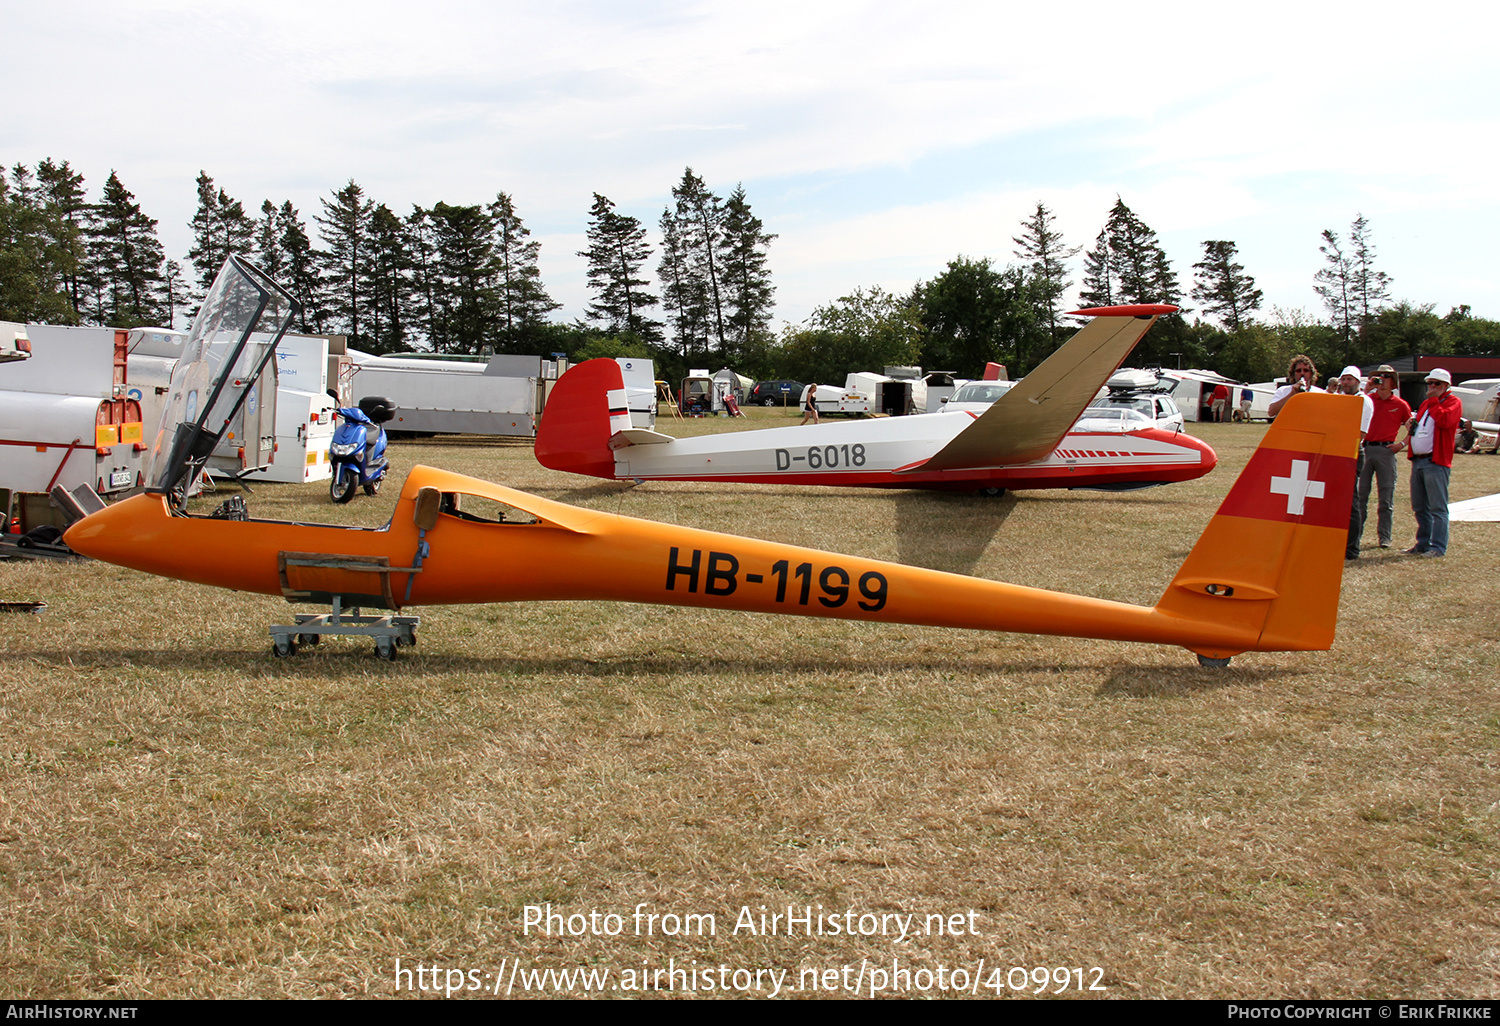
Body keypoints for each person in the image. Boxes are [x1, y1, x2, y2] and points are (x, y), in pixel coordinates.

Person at [1404, 368, 1463, 557]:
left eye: (1437, 384)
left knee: (1437, 507)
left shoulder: (1453, 402)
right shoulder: (1426, 404)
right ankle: (1422, 543)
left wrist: (1435, 400)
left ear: (1446, 386)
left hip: (1436, 461)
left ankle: (1437, 547)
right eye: (1430, 383)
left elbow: (1444, 420)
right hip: (1419, 460)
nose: (1432, 387)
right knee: (1419, 505)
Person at [1354, 365, 1411, 551]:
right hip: (1366, 448)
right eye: (1379, 376)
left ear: (1393, 382)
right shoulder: (1368, 400)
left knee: (1386, 498)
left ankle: (1384, 537)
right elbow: (1351, 408)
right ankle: (1356, 536)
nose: (1382, 379)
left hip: (1386, 451)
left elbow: (1413, 428)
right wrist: (1367, 388)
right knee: (1360, 497)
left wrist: (1401, 444)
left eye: (1386, 377)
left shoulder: (1400, 404)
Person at [1336, 366, 1376, 559]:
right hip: (1337, 452)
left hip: (1351, 452)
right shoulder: (1342, 400)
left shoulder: (1363, 401)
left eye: (1349, 379)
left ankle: (1351, 548)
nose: (1345, 383)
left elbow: (1360, 434)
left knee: (1351, 502)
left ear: (1358, 382)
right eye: (1343, 379)